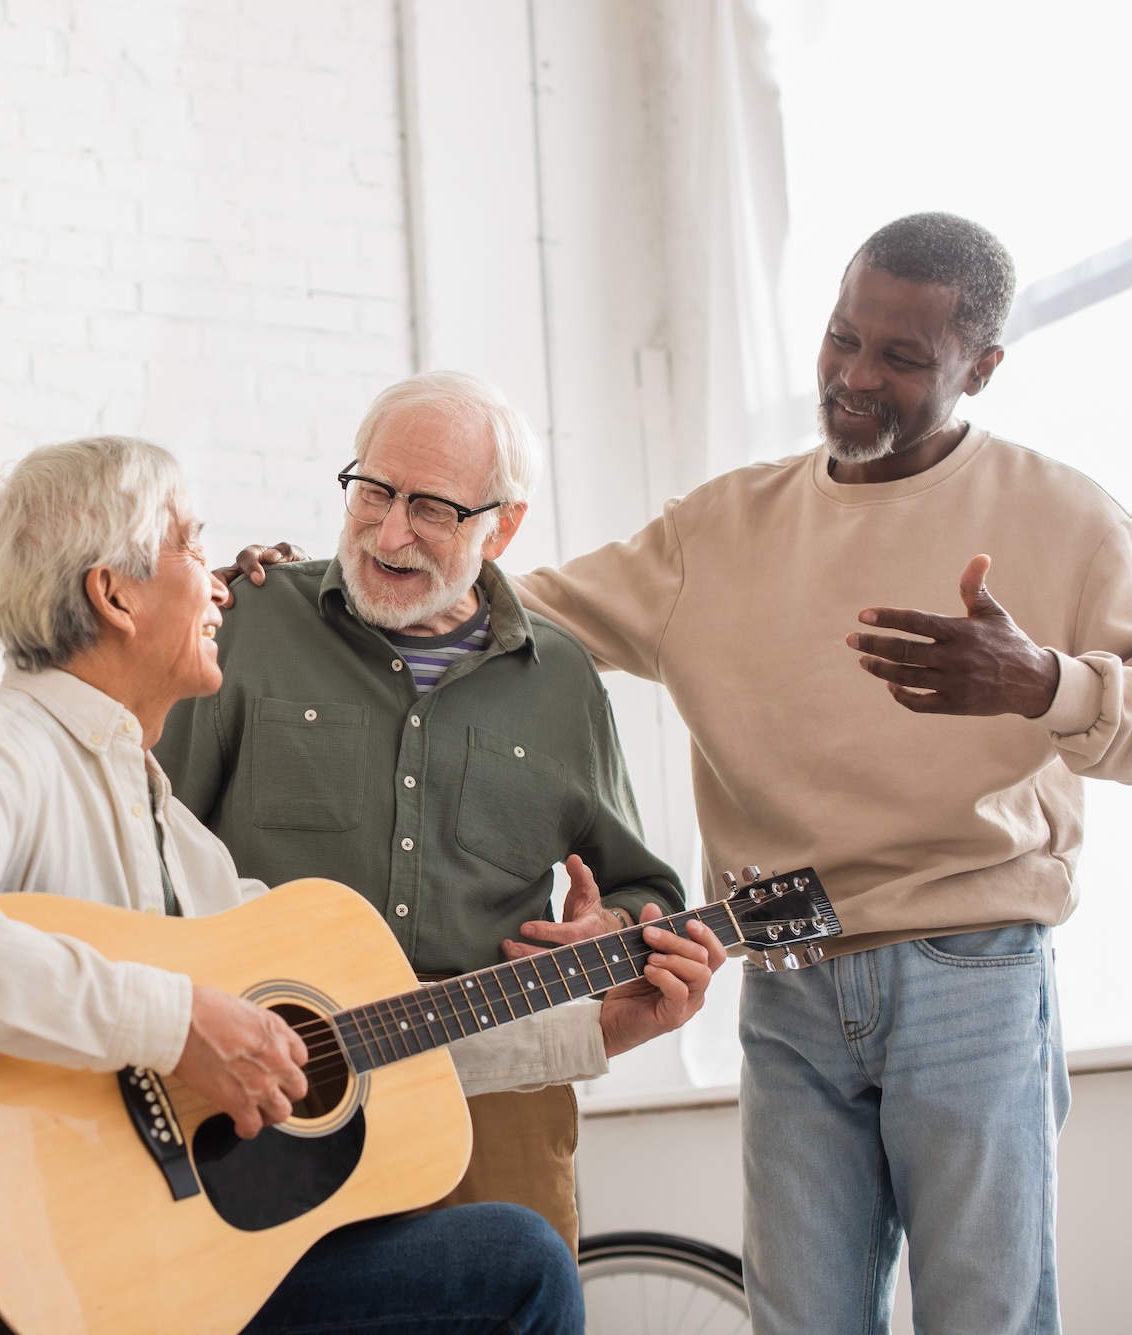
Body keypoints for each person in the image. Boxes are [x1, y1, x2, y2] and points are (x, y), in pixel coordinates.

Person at [231, 213, 1126, 1333]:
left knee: (980, 1318)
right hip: (785, 975)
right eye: (840, 338)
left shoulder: (1067, 518)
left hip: (970, 969)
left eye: (900, 359)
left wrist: (1046, 685)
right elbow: (492, 602)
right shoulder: (721, 530)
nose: (852, 378)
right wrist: (287, 585)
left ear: (981, 367)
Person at [0, 436, 729, 1334]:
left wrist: (599, 1023)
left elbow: (366, 1032)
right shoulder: (5, 743)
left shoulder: (172, 831)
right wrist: (175, 1024)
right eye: (194, 552)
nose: (223, 586)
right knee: (517, 1263)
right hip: (79, 1259)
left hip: (178, 1250)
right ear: (114, 594)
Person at [155, 372, 687, 1252]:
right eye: (374, 490)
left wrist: (620, 926)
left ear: (503, 524)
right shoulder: (250, 616)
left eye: (433, 507)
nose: (390, 531)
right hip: (272, 1088)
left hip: (496, 1099)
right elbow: (150, 841)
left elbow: (643, 884)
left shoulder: (562, 679)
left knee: (514, 1300)